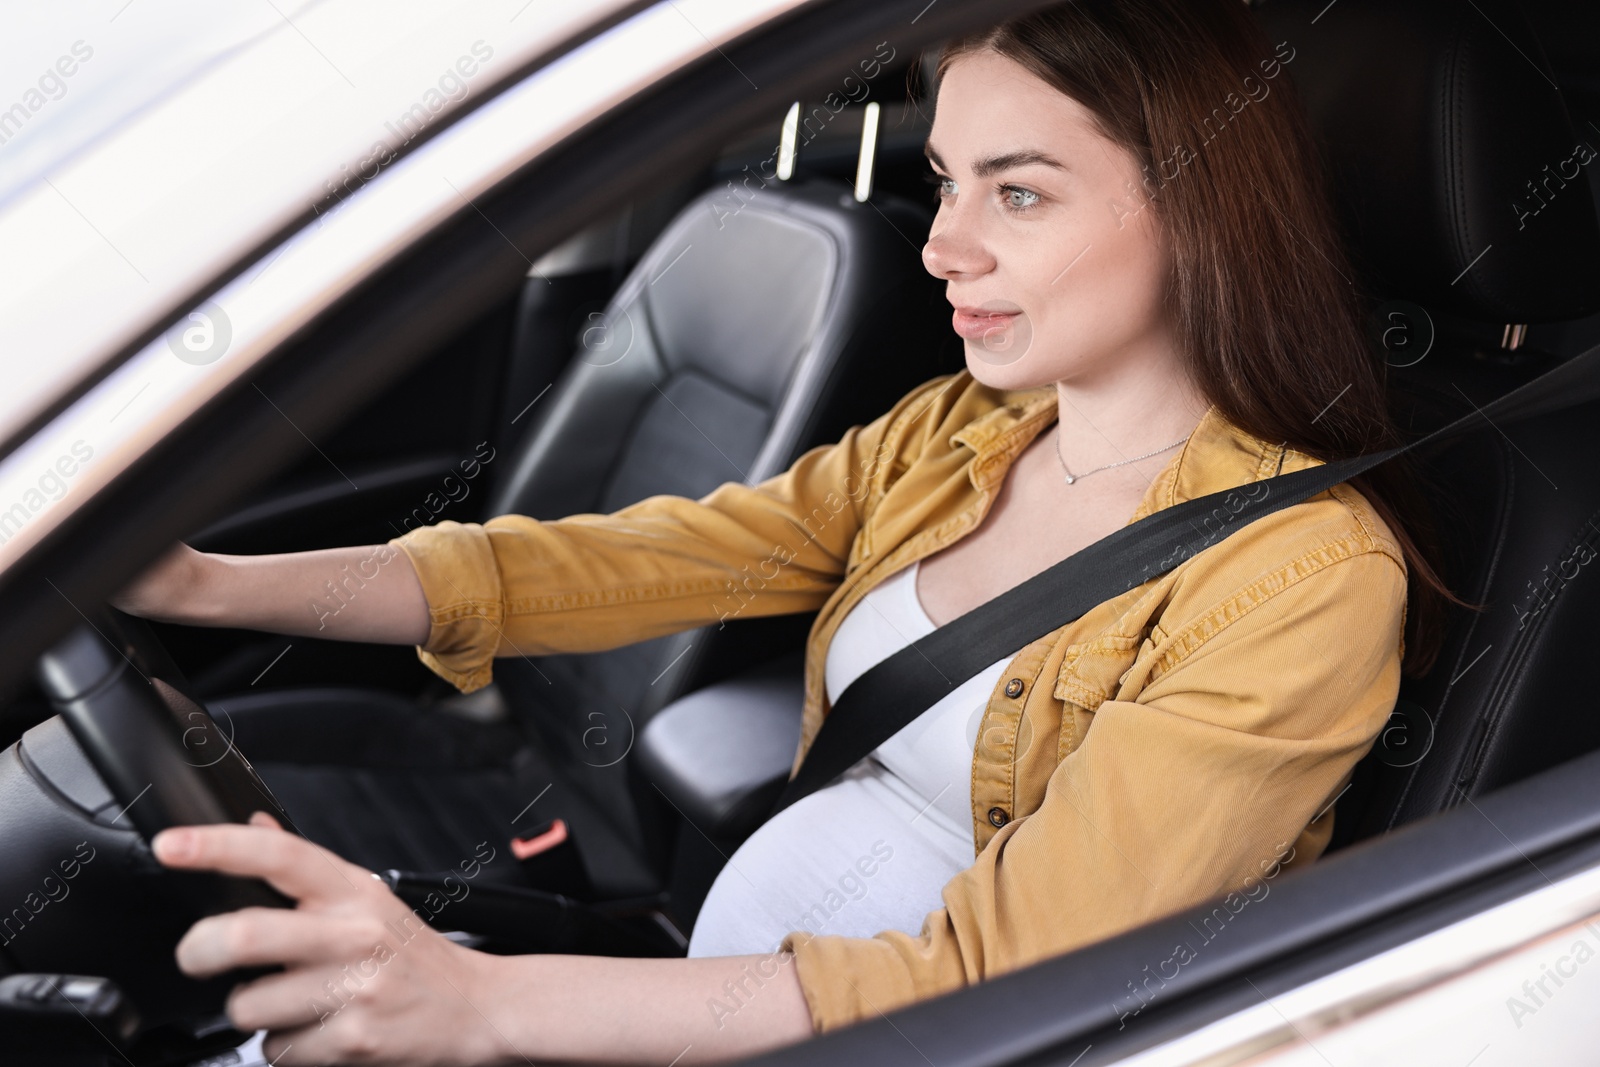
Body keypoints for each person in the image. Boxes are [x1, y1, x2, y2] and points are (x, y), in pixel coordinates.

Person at [112, 1, 1453, 1062]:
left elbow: (1010, 978)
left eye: (1020, 193)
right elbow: (618, 563)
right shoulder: (955, 438)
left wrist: (485, 1005)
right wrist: (209, 584)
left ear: (1200, 208)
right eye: (945, 181)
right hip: (713, 1007)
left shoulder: (1301, 580)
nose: (943, 245)